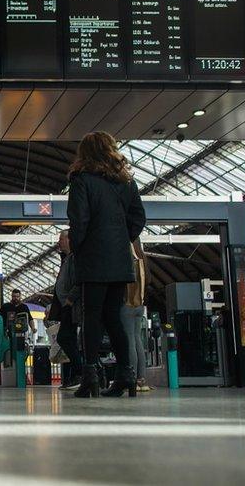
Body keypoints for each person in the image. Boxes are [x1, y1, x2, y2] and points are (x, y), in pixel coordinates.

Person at [67, 131, 146, 399]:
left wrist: (78, 248)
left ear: (85, 153)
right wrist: (121, 239)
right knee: (114, 317)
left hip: (93, 257)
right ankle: (126, 374)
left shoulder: (81, 180)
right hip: (119, 259)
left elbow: (79, 221)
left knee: (92, 316)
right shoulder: (127, 183)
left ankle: (91, 376)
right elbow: (138, 218)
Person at [54, 231, 83, 390]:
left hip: (71, 306)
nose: (59, 242)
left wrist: (70, 299)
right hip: (66, 305)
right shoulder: (67, 259)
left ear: (69, 239)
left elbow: (78, 280)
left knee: (65, 338)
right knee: (68, 338)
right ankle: (75, 375)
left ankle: (80, 373)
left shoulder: (75, 258)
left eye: (61, 239)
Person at [123, 239, 151, 393]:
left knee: (129, 341)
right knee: (137, 339)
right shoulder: (142, 257)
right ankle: (142, 378)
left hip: (127, 303)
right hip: (140, 304)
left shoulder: (127, 256)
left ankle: (131, 378)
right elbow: (150, 280)